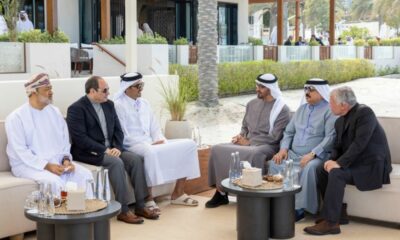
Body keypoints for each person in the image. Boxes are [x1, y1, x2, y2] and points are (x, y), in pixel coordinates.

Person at [66, 76, 159, 224]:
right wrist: (105, 150)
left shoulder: (109, 105)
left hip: (112, 149)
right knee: (116, 163)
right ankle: (123, 210)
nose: (108, 93)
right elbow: (80, 139)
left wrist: (116, 147)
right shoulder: (76, 109)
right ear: (92, 91)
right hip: (88, 153)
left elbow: (118, 130)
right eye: (105, 90)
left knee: (135, 159)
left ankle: (141, 205)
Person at [304, 86, 392, 235]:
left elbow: (360, 143)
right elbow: (337, 147)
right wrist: (330, 161)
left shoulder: (365, 113)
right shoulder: (339, 121)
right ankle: (338, 214)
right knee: (322, 169)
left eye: (331, 102)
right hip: (355, 162)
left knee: (337, 173)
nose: (329, 105)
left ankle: (331, 223)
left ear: (343, 105)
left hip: (372, 164)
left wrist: (338, 164)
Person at [113, 72, 201, 209]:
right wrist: (150, 144)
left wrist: (160, 140)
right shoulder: (118, 105)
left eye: (142, 85)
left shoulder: (145, 103)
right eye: (138, 86)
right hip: (134, 145)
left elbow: (155, 128)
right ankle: (148, 198)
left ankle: (178, 193)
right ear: (127, 88)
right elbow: (123, 135)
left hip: (152, 143)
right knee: (150, 152)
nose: (141, 89)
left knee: (189, 145)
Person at [206, 73, 291, 208]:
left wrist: (249, 142)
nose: (257, 89)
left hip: (268, 145)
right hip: (247, 142)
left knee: (255, 153)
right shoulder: (251, 104)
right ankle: (221, 193)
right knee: (217, 149)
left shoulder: (282, 109)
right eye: (257, 85)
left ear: (270, 88)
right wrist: (240, 137)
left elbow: (275, 136)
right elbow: (245, 126)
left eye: (262, 87)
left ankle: (254, 196)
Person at [5, 73, 93, 196]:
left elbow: (65, 141)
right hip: (28, 166)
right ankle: (62, 214)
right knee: (54, 182)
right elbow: (21, 151)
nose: (51, 92)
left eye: (51, 88)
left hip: (56, 162)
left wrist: (66, 160)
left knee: (85, 175)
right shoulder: (16, 118)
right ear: (33, 92)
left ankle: (86, 212)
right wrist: (46, 166)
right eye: (47, 89)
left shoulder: (55, 112)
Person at [268, 78, 337, 221]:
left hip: (317, 156)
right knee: (274, 163)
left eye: (311, 90)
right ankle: (277, 202)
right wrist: (283, 150)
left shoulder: (330, 111)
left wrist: (312, 154)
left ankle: (300, 209)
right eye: (306, 89)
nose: (307, 92)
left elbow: (330, 138)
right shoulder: (301, 109)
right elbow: (288, 132)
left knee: (310, 168)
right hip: (293, 154)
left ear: (322, 92)